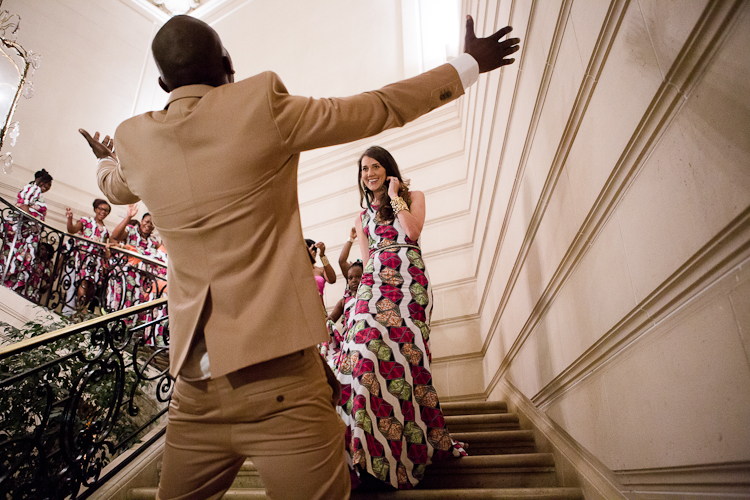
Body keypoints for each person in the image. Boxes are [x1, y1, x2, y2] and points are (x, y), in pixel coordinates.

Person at [79, 13, 519, 500]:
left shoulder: (133, 140)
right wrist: (465, 66)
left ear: (162, 83)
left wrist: (104, 157)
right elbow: (375, 108)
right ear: (228, 63)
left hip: (194, 394)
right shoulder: (260, 103)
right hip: (283, 384)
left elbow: (114, 186)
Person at [335, 145, 465, 489]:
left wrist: (394, 195)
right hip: (375, 284)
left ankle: (412, 443)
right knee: (362, 352)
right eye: (363, 169)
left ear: (387, 169)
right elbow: (365, 264)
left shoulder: (412, 195)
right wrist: (354, 302)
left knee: (408, 360)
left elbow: (412, 232)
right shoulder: (361, 218)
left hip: (409, 285)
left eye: (375, 166)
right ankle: (366, 451)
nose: (369, 173)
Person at [2, 169, 53, 296]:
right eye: (48, 184)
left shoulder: (37, 192)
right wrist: (34, 223)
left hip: (29, 234)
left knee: (24, 260)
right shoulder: (32, 189)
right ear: (43, 182)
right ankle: (9, 284)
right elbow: (23, 205)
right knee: (17, 257)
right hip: (24, 232)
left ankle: (14, 287)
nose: (49, 187)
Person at [65, 199, 112, 311]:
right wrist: (70, 219)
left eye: (106, 210)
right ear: (95, 209)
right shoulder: (85, 221)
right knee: (84, 281)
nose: (103, 212)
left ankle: (81, 309)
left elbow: (104, 247)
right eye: (100, 209)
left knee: (92, 286)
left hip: (97, 261)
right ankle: (81, 309)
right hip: (84, 257)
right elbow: (72, 230)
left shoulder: (105, 230)